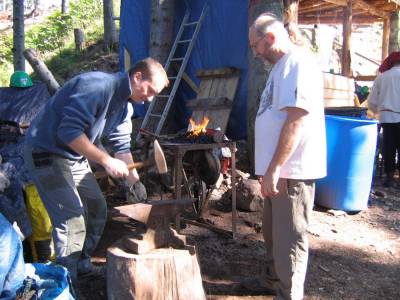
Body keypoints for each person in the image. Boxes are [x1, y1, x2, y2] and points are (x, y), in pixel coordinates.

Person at [23, 57, 169, 284]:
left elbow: (121, 147)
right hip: (46, 152)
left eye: (154, 95)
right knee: (72, 217)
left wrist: (134, 182)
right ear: (137, 76)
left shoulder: (124, 107)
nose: (149, 99)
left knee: (97, 208)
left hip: (73, 156)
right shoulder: (96, 86)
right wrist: (105, 160)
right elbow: (68, 132)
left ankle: (81, 265)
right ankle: (65, 282)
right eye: (149, 91)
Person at [248, 13, 326, 300]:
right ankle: (272, 281)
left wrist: (275, 167)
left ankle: (288, 294)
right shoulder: (281, 66)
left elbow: (296, 119)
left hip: (292, 171)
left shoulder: (298, 63)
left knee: (289, 241)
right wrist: (268, 167)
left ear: (270, 38)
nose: (255, 53)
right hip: (278, 171)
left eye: (255, 46)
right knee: (272, 234)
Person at [368, 54, 400, 187]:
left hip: (387, 118)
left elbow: (372, 101)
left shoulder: (382, 77)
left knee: (389, 148)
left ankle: (390, 177)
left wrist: (375, 111)